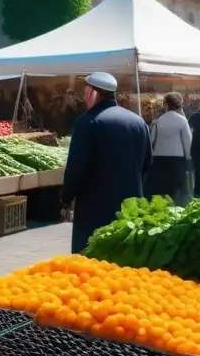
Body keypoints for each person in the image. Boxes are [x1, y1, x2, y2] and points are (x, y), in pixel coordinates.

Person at [60, 72, 151, 253]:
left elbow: (77, 165)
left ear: (92, 93)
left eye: (86, 89)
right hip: (130, 203)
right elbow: (147, 161)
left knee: (91, 257)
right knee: (124, 257)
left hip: (94, 204)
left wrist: (66, 197)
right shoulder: (137, 121)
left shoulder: (88, 122)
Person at [147, 92, 193, 204]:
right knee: (177, 191)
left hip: (159, 159)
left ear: (165, 104)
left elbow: (151, 140)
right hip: (178, 159)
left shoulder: (158, 121)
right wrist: (189, 158)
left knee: (161, 190)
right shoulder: (182, 120)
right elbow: (188, 141)